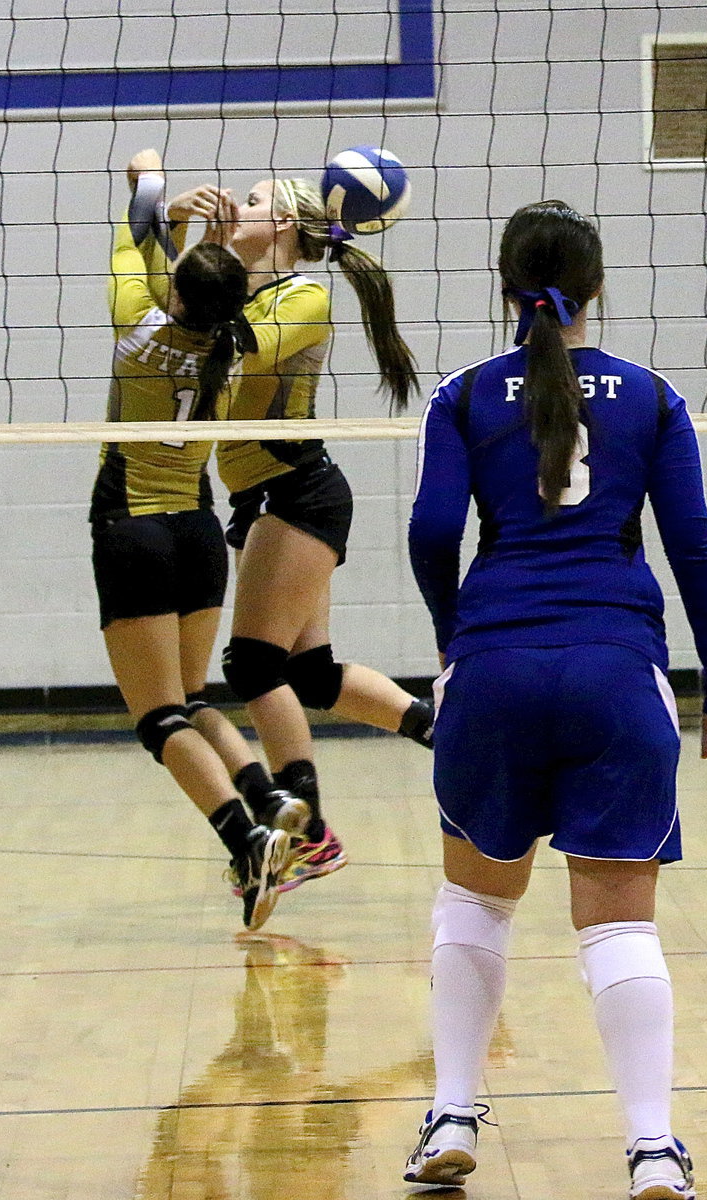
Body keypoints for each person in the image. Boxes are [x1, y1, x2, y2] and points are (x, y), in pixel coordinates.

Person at [403, 200, 707, 1198]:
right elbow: (692, 545)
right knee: (616, 927)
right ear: (594, 289)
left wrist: (452, 632)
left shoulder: (464, 396)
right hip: (614, 669)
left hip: (494, 667)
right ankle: (650, 1148)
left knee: (473, 899)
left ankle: (450, 1117)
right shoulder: (649, 397)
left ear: (501, 285)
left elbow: (432, 532)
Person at [167, 173, 433, 893]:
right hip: (268, 496)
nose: (239, 206)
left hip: (297, 493)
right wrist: (196, 242)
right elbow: (180, 336)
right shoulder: (252, 290)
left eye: (253, 202)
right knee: (311, 675)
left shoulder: (303, 297)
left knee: (253, 667)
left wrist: (211, 254)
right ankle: (444, 729)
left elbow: (228, 353)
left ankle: (308, 835)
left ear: (284, 221)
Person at [90, 150, 301, 931]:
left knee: (159, 718)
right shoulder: (236, 348)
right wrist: (190, 229)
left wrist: (152, 187)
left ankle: (245, 839)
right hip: (198, 532)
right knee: (196, 695)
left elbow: (132, 237)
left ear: (173, 291)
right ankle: (269, 794)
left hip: (134, 530)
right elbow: (192, 275)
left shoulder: (137, 331)